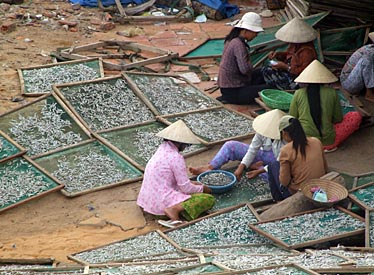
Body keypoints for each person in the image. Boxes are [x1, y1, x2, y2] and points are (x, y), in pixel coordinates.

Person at [137, 120, 215, 223]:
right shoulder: (176, 157)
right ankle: (173, 210)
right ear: (180, 143)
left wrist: (193, 184)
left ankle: (175, 209)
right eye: (186, 145)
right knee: (208, 199)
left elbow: (170, 179)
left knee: (191, 191)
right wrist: (202, 188)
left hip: (147, 201)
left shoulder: (161, 150)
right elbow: (185, 188)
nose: (185, 148)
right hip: (160, 206)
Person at [189, 109, 288, 181]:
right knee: (230, 146)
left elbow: (279, 163)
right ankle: (210, 167)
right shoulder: (263, 130)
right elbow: (253, 149)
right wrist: (241, 166)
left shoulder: (286, 140)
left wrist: (259, 171)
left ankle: (256, 167)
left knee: (278, 176)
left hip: (276, 162)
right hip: (261, 154)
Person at [290, 59, 362, 152]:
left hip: (306, 142)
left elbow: (292, 118)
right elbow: (338, 118)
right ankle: (325, 147)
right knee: (355, 116)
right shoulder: (332, 92)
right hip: (329, 141)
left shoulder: (298, 93)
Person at [267, 116, 328, 201]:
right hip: (321, 187)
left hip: (300, 193)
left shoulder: (286, 150)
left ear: (284, 133)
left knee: (272, 165)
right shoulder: (316, 141)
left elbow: (284, 182)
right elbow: (325, 168)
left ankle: (279, 200)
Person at [217, 12, 271, 105]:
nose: (256, 35)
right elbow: (245, 70)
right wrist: (250, 64)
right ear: (246, 31)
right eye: (255, 33)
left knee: (261, 71)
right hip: (234, 91)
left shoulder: (231, 39)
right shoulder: (238, 44)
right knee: (270, 88)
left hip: (227, 88)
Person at [262, 17, 318, 91]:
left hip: (298, 80)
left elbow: (302, 72)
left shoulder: (307, 52)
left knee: (269, 72)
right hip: (289, 73)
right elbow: (288, 55)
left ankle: (280, 89)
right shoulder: (294, 45)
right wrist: (277, 54)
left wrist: (286, 67)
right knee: (266, 69)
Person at [340, 32, 374, 103]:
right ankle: (369, 94)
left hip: (358, 82)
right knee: (367, 60)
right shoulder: (370, 52)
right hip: (349, 83)